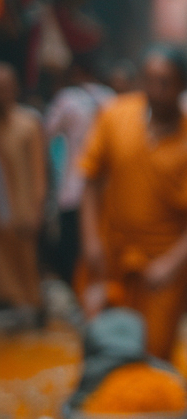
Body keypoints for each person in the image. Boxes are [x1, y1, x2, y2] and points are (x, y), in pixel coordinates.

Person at [77, 47, 187, 360]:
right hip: (111, 258)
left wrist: (173, 262)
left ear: (184, 86)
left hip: (163, 267)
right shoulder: (115, 115)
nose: (155, 90)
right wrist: (90, 241)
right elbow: (90, 180)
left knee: (152, 351)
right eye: (149, 80)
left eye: (165, 82)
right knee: (101, 345)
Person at [44, 60, 115, 286]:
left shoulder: (67, 99)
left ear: (76, 72)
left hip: (73, 186)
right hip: (106, 189)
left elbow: (46, 132)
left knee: (71, 246)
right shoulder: (111, 98)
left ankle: (78, 291)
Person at [0, 62, 47, 326]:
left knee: (27, 265)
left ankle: (32, 309)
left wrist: (38, 208)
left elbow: (39, 173)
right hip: (2, 209)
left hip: (24, 209)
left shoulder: (28, 124)